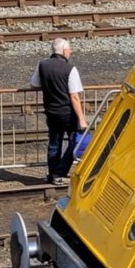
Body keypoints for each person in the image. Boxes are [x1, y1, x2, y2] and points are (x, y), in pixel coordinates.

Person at [30, 38, 88, 185]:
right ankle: (60, 172)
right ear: (64, 51)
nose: (70, 52)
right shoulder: (70, 69)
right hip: (67, 112)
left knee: (54, 143)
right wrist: (81, 118)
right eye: (69, 50)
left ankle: (52, 173)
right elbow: (74, 96)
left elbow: (34, 84)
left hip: (50, 111)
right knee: (76, 141)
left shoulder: (42, 65)